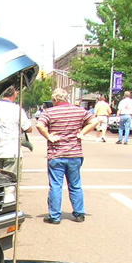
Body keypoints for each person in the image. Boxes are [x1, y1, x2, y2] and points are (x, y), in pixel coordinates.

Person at [36, 88, 98, 224]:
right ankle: (79, 213)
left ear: (55, 100)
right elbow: (94, 121)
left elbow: (39, 125)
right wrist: (83, 132)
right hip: (75, 153)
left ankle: (55, 216)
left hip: (56, 153)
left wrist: (48, 136)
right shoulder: (78, 110)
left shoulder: (49, 112)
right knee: (75, 184)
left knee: (56, 185)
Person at [0, 85, 33, 176]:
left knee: (1, 180)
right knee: (10, 182)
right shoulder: (16, 109)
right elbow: (28, 128)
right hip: (12, 151)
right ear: (14, 93)